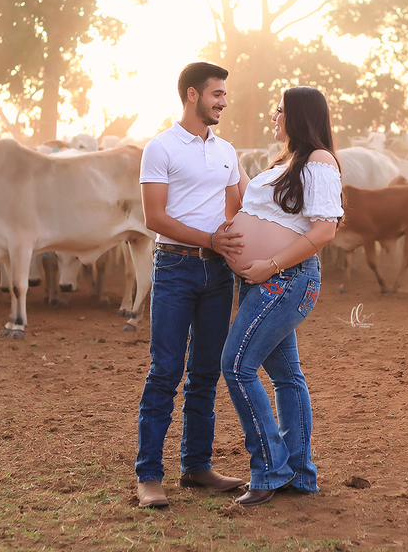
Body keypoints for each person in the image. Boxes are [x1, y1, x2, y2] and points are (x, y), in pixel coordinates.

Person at [219, 86, 343, 507]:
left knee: (236, 365)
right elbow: (250, 208)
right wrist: (230, 161)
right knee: (287, 377)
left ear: (300, 116)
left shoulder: (319, 160)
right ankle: (300, 474)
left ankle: (271, 469)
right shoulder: (283, 164)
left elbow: (324, 230)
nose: (274, 116)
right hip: (266, 281)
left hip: (286, 280)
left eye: (280, 110)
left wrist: (269, 265)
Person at [134, 62, 248, 509]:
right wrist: (209, 239)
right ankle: (148, 476)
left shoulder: (227, 150)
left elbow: (237, 209)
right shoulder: (160, 147)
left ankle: (197, 466)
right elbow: (154, 217)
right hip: (174, 268)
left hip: (218, 273)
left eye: (224, 95)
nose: (223, 102)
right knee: (165, 371)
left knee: (205, 373)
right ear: (192, 95)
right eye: (217, 94)